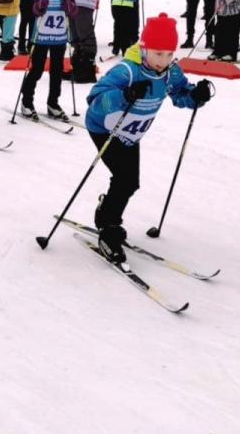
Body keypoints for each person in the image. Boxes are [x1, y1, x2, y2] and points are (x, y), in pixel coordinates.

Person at [85, 14, 211, 263]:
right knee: (126, 179)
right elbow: (95, 101)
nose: (163, 61)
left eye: (168, 54)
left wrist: (196, 96)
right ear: (144, 48)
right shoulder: (127, 71)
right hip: (105, 129)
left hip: (131, 133)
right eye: (157, 54)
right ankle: (108, 227)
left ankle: (106, 211)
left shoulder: (170, 72)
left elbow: (180, 94)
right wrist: (125, 95)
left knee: (130, 182)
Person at [19, 0, 73, 121]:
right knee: (36, 70)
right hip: (40, 37)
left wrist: (68, 6)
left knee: (57, 71)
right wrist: (40, 6)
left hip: (59, 37)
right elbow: (33, 10)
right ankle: (27, 101)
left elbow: (74, 11)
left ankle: (53, 103)